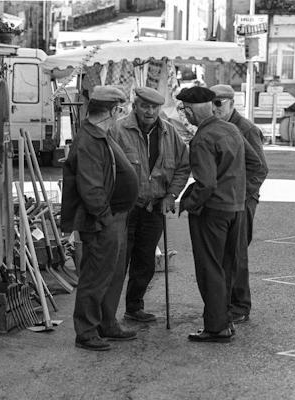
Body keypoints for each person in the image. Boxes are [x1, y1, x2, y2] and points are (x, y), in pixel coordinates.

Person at [176, 86, 262, 343]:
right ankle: (224, 320)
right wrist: (238, 194)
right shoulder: (231, 129)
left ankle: (217, 327)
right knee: (225, 267)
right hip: (234, 208)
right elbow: (255, 164)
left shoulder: (203, 138)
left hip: (213, 212)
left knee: (210, 269)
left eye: (184, 110)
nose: (184, 115)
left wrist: (190, 202)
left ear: (191, 110)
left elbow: (206, 184)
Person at [61, 85, 139, 351]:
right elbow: (91, 187)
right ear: (114, 110)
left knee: (109, 275)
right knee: (95, 277)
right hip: (101, 221)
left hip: (111, 218)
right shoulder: (89, 140)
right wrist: (104, 217)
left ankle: (106, 323)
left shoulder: (98, 134)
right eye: (120, 109)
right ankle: (86, 332)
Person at [111, 87, 190, 322]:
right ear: (135, 106)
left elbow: (183, 166)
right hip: (125, 209)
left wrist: (171, 195)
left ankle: (134, 307)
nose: (150, 111)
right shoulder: (118, 129)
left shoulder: (169, 133)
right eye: (145, 106)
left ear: (160, 109)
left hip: (154, 207)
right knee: (118, 262)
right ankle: (107, 316)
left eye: (154, 107)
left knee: (145, 262)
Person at [210, 84, 269, 324]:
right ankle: (228, 302)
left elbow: (259, 169)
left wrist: (243, 197)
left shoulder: (246, 129)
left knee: (237, 253)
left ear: (232, 103)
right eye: (211, 104)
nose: (214, 109)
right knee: (226, 252)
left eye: (219, 104)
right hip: (227, 200)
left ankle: (240, 305)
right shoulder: (220, 127)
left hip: (242, 200)